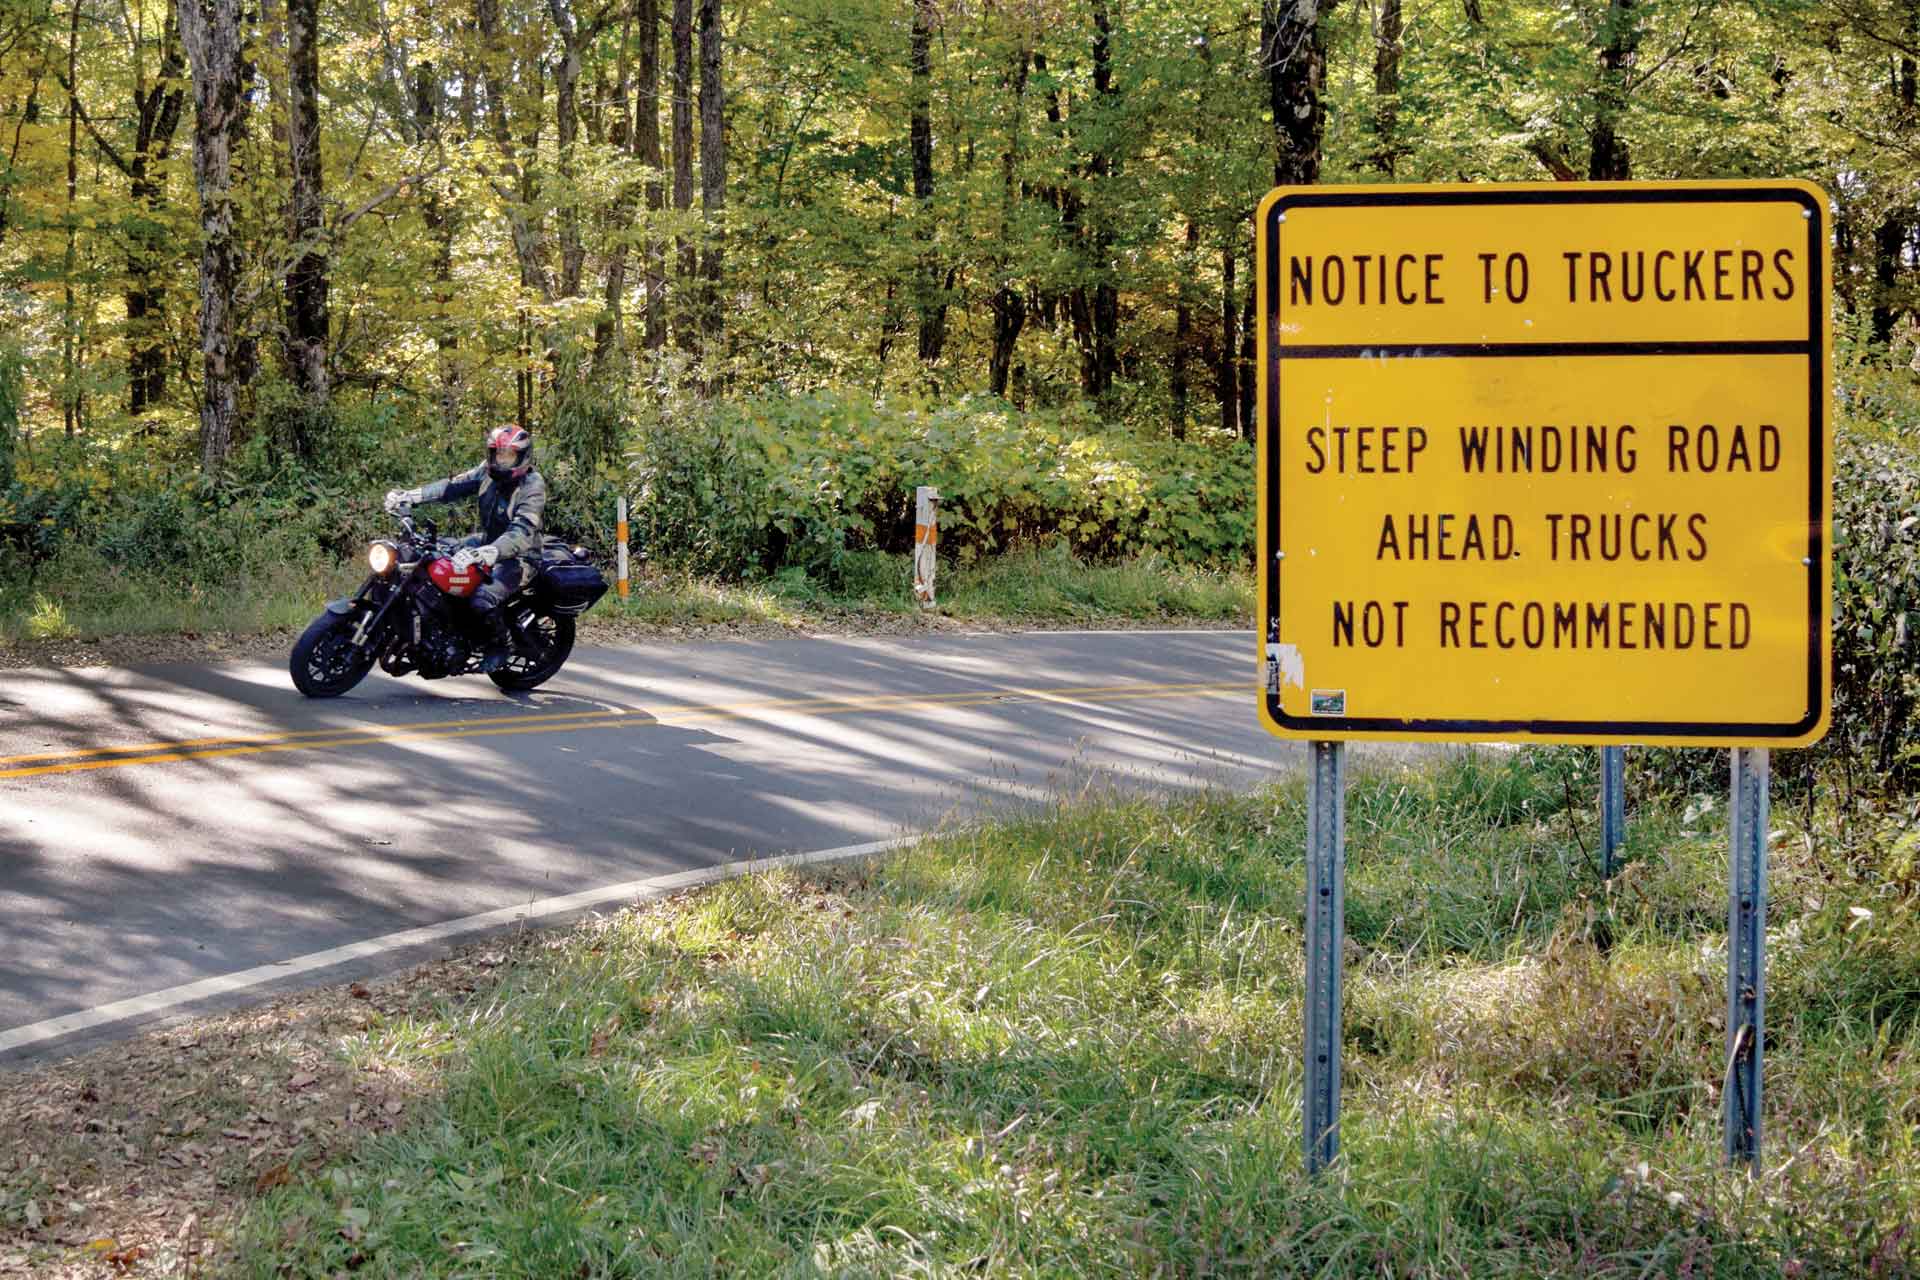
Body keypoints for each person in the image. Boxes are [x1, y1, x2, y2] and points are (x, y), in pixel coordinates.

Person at [385, 423, 548, 673]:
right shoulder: (486, 472)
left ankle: (499, 645)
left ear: (522, 456)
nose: (501, 460)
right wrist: (411, 496)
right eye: (498, 454)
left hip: (519, 556)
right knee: (433, 555)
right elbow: (451, 487)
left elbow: (523, 531)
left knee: (482, 598)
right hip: (486, 541)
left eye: (508, 455)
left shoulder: (532, 486)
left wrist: (491, 552)